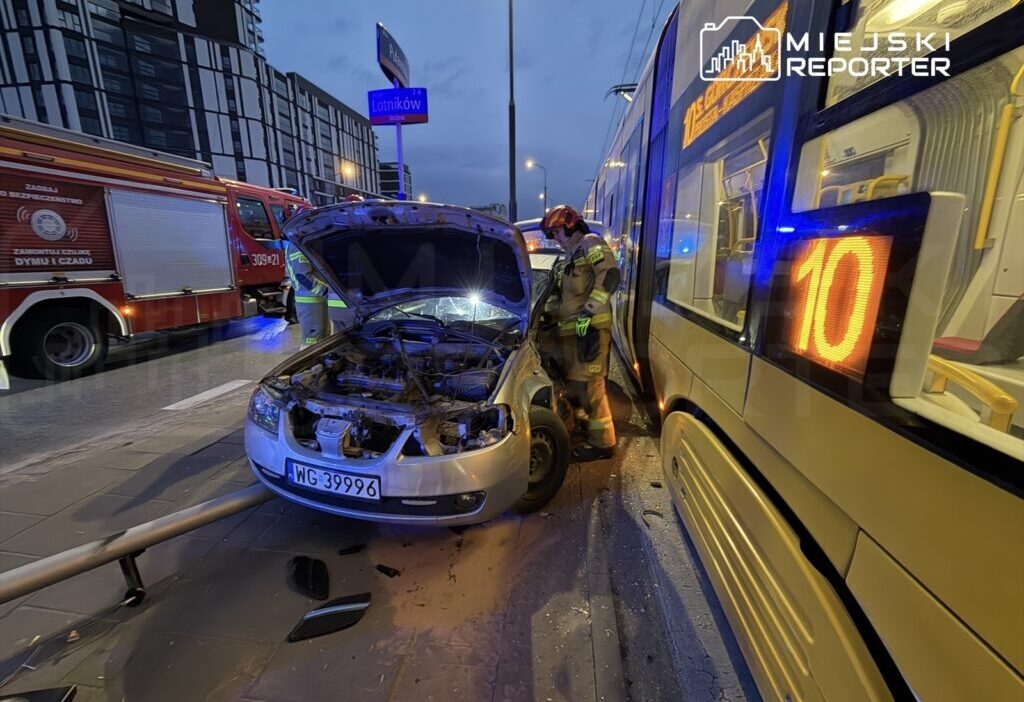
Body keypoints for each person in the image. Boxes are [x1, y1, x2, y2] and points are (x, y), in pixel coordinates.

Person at [539, 205, 620, 461]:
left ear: (570, 226)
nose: (554, 239)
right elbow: (562, 297)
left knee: (593, 386)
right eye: (550, 235)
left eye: (556, 232)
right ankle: (585, 430)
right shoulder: (569, 255)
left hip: (590, 330)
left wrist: (589, 311)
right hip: (572, 333)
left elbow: (610, 275)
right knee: (576, 385)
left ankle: (603, 443)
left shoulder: (590, 242)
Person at [284, 239, 329, 349]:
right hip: (310, 303)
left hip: (315, 301)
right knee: (312, 343)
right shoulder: (297, 245)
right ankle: (311, 366)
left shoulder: (304, 243)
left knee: (321, 339)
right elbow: (303, 276)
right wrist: (327, 291)